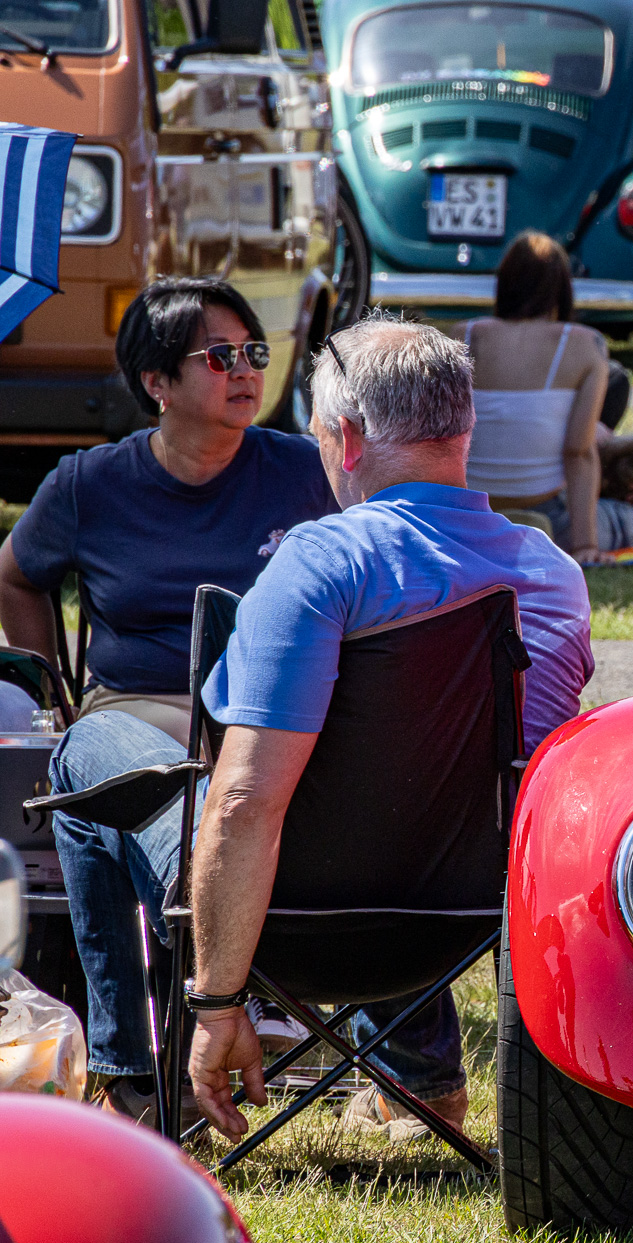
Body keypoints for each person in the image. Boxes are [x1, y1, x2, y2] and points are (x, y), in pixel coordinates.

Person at [50, 316, 594, 1142]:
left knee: (87, 748)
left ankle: (135, 1082)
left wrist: (219, 1003)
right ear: (464, 428)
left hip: (290, 915)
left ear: (348, 438)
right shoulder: (553, 576)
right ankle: (420, 1077)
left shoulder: (322, 564)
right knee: (408, 807)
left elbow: (243, 804)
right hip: (468, 909)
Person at [0, 279, 336, 746]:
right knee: (199, 749)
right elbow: (13, 578)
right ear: (156, 381)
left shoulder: (307, 469)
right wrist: (49, 696)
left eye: (253, 353)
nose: (245, 371)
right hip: (133, 708)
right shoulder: (90, 483)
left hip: (271, 707)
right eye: (221, 356)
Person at [461, 231, 613, 564]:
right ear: (561, 287)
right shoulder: (585, 344)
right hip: (547, 515)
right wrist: (585, 545)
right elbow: (578, 451)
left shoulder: (463, 336)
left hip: (471, 515)